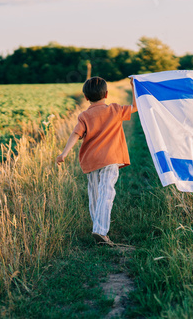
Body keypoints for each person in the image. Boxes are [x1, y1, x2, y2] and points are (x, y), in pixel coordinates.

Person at [56, 76, 137, 245]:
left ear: (86, 97)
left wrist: (64, 153)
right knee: (106, 193)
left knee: (94, 195)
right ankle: (100, 231)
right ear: (106, 94)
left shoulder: (84, 116)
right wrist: (134, 85)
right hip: (110, 158)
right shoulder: (115, 109)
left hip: (91, 161)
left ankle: (97, 227)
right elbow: (136, 106)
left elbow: (75, 135)